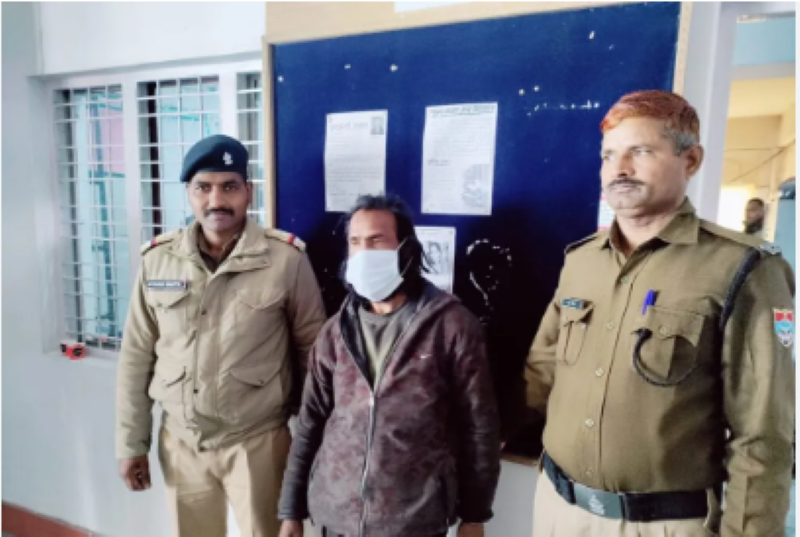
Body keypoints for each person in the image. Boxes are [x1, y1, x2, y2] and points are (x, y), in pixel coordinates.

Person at [525, 91, 794, 536]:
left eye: (640, 151)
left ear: (691, 160)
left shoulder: (743, 269)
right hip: (558, 509)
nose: (619, 169)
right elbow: (542, 371)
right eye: (608, 155)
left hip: (662, 525)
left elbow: (763, 434)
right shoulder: (581, 260)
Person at [115, 134, 326, 537]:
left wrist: (312, 447)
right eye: (204, 188)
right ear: (189, 194)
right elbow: (136, 356)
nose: (216, 200)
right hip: (181, 442)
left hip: (259, 442)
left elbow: (313, 357)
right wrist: (131, 443)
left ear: (248, 192)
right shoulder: (158, 261)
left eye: (229, 186)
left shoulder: (285, 260)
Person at [277, 194, 501, 537]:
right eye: (355, 242)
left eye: (376, 240)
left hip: (415, 520)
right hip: (337, 515)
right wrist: (290, 510)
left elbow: (480, 427)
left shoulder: (451, 326)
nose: (363, 252)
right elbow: (310, 423)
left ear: (406, 249)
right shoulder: (336, 331)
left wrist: (475, 515)